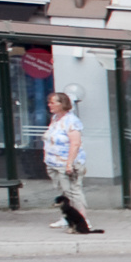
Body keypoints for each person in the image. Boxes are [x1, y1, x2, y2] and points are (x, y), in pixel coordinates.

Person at [41, 91, 87, 227]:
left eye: (53, 102)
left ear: (63, 104)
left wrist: (69, 164)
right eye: (49, 102)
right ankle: (68, 218)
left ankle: (82, 220)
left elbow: (75, 143)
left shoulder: (72, 121)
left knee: (73, 192)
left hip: (66, 163)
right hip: (54, 162)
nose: (49, 105)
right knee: (65, 192)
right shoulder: (55, 118)